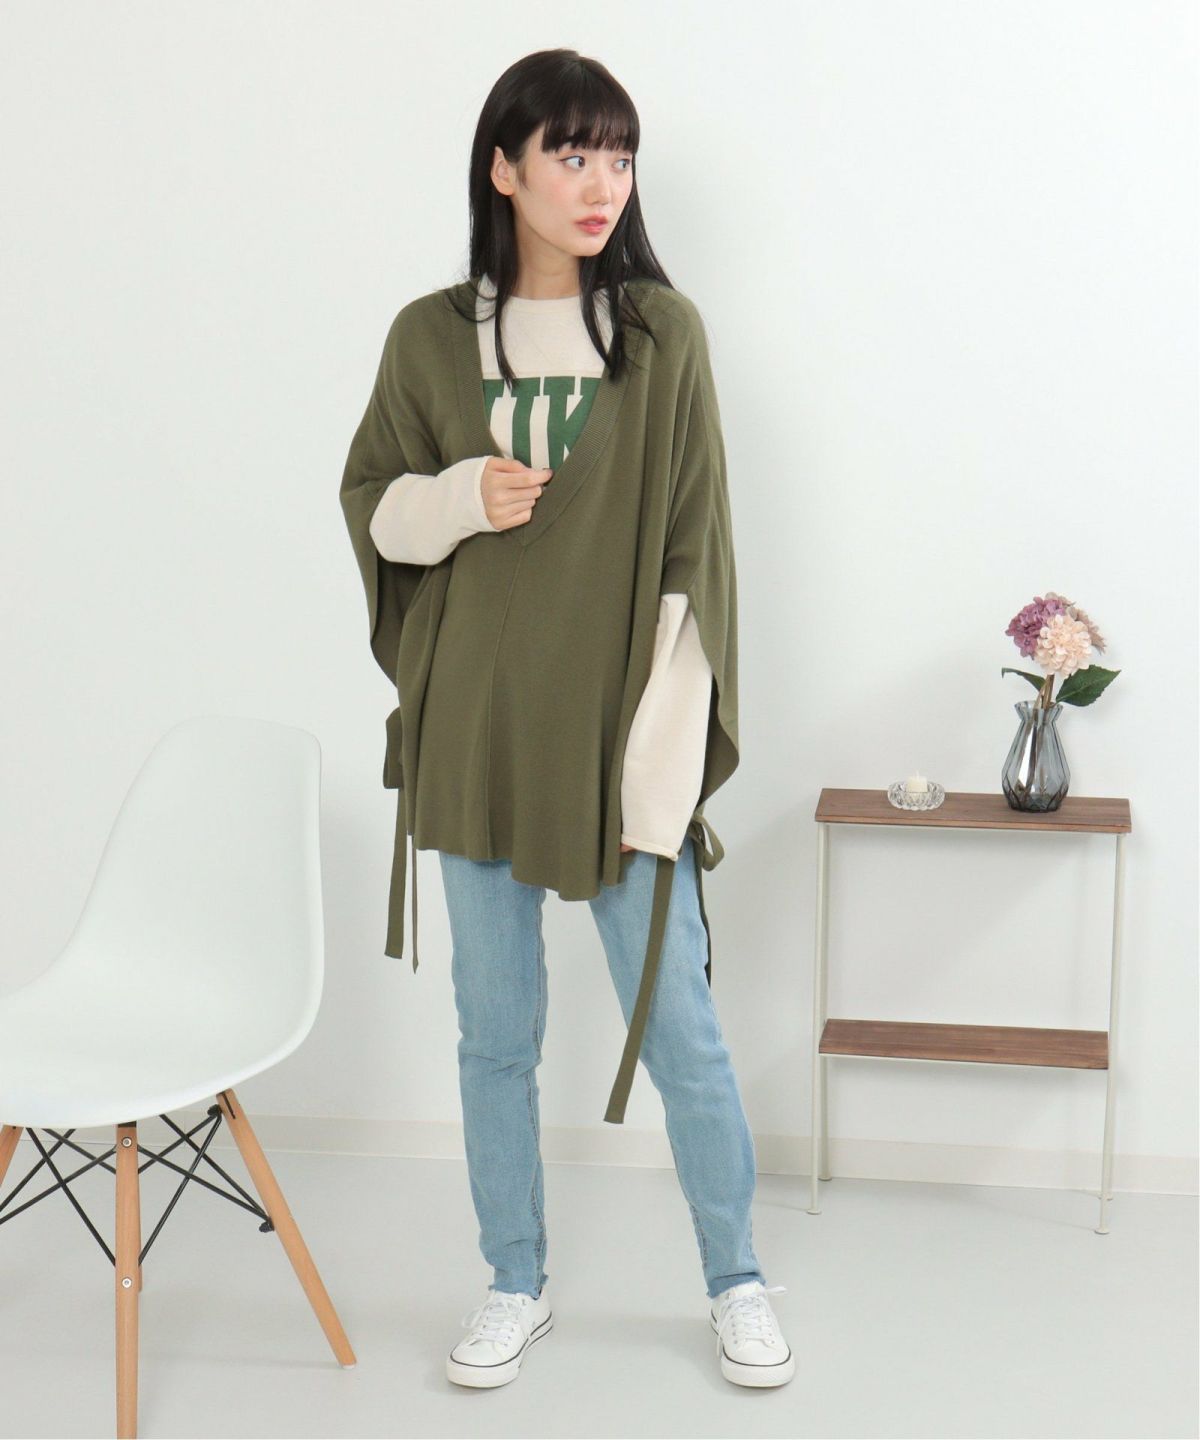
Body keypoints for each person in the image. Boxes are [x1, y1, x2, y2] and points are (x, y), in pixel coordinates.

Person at [339, 47, 793, 1391]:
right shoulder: (430, 336)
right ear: (505, 168)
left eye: (619, 157)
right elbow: (375, 506)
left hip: (619, 740)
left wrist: (659, 766)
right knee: (496, 1036)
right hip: (475, 736)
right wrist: (458, 496)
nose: (603, 184)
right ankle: (514, 1278)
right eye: (572, 155)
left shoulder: (662, 336)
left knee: (683, 1030)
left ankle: (737, 1281)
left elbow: (695, 564)